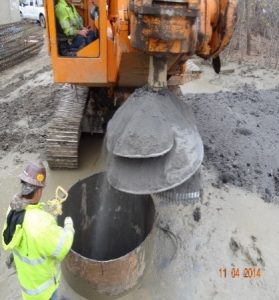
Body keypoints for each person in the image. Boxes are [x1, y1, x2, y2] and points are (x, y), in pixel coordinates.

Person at [2, 161, 74, 300]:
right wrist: (68, 226)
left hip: (28, 284)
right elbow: (63, 247)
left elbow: (30, 227)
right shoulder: (42, 224)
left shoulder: (12, 210)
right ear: (39, 190)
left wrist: (48, 213)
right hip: (44, 291)